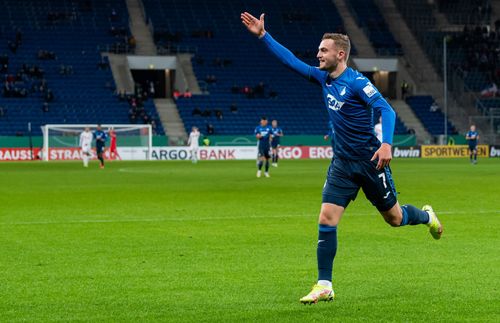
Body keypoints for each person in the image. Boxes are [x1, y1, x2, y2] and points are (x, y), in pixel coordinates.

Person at [241, 11, 443, 304]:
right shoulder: (323, 79)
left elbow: (386, 109)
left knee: (395, 219)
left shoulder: (358, 82)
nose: (318, 54)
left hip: (371, 162)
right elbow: (291, 62)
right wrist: (263, 36)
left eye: (323, 50)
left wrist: (386, 145)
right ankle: (325, 284)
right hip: (342, 165)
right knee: (326, 217)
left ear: (340, 53)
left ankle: (426, 216)